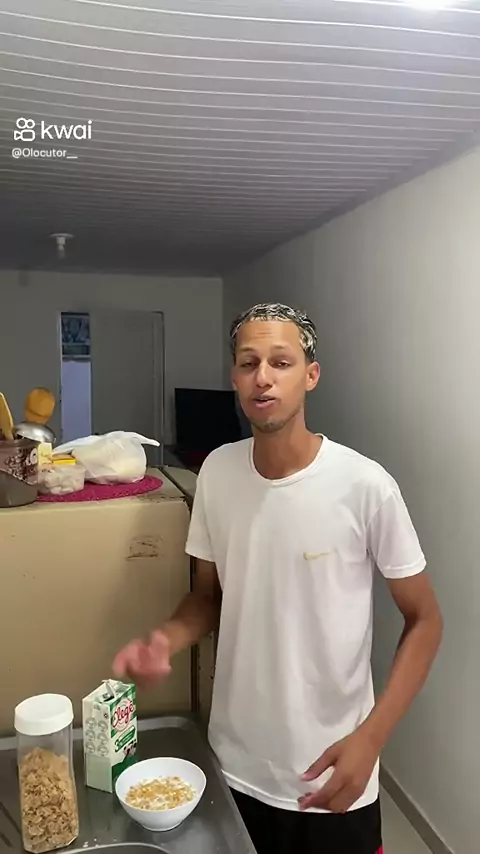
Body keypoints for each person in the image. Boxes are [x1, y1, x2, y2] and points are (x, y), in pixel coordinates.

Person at [113, 303, 443, 854]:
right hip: (235, 764)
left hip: (333, 768)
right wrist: (164, 640)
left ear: (310, 375)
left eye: (281, 362)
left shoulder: (365, 485)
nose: (262, 377)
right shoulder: (217, 471)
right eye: (249, 363)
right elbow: (207, 597)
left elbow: (425, 620)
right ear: (235, 377)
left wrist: (372, 738)